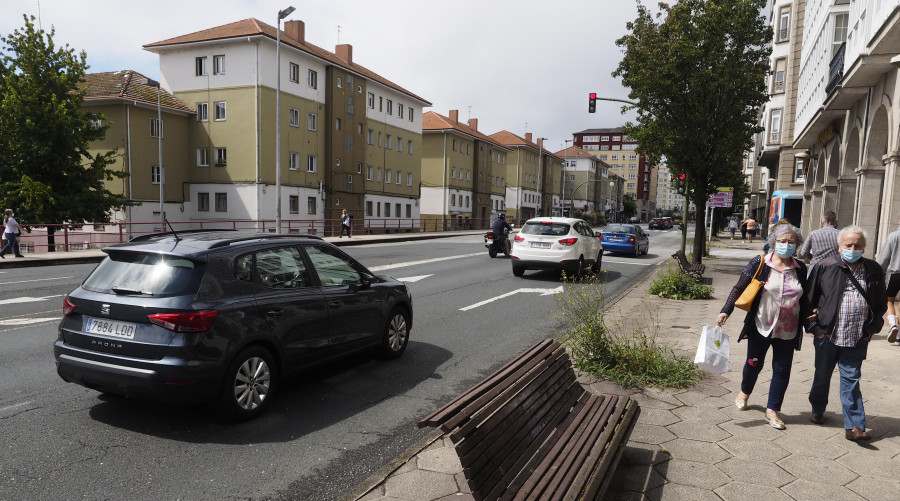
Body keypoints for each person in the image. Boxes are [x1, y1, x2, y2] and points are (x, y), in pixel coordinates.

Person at [717, 224, 813, 430]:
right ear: (774, 242)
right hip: (761, 324)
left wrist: (811, 321)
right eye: (782, 241)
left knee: (782, 370)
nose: (786, 245)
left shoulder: (800, 269)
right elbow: (739, 287)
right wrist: (726, 310)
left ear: (796, 245)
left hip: (788, 328)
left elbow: (804, 299)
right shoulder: (760, 263)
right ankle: (744, 391)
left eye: (791, 242)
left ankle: (773, 410)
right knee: (753, 363)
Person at [806, 226, 887, 441]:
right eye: (848, 245)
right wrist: (815, 329)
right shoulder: (825, 266)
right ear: (839, 247)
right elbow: (808, 299)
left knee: (851, 379)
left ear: (864, 247)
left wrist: (871, 330)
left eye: (857, 246)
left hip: (857, 336)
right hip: (828, 335)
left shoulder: (873, 269)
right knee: (822, 376)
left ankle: (854, 426)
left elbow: (880, 304)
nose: (853, 249)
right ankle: (818, 408)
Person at [877, 218, 900, 344]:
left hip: (895, 272)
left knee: (888, 300)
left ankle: (892, 324)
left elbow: (884, 257)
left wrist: (880, 271)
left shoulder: (893, 236)